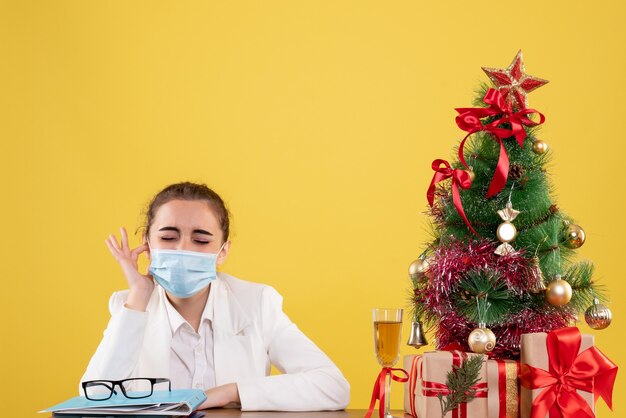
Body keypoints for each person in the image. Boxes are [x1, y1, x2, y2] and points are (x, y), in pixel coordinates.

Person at [80, 182, 350, 411]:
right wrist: (139, 295)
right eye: (168, 237)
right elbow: (91, 400)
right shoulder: (128, 307)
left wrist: (231, 392)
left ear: (222, 251)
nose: (184, 248)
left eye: (201, 240)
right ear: (147, 246)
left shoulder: (256, 304)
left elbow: (333, 386)